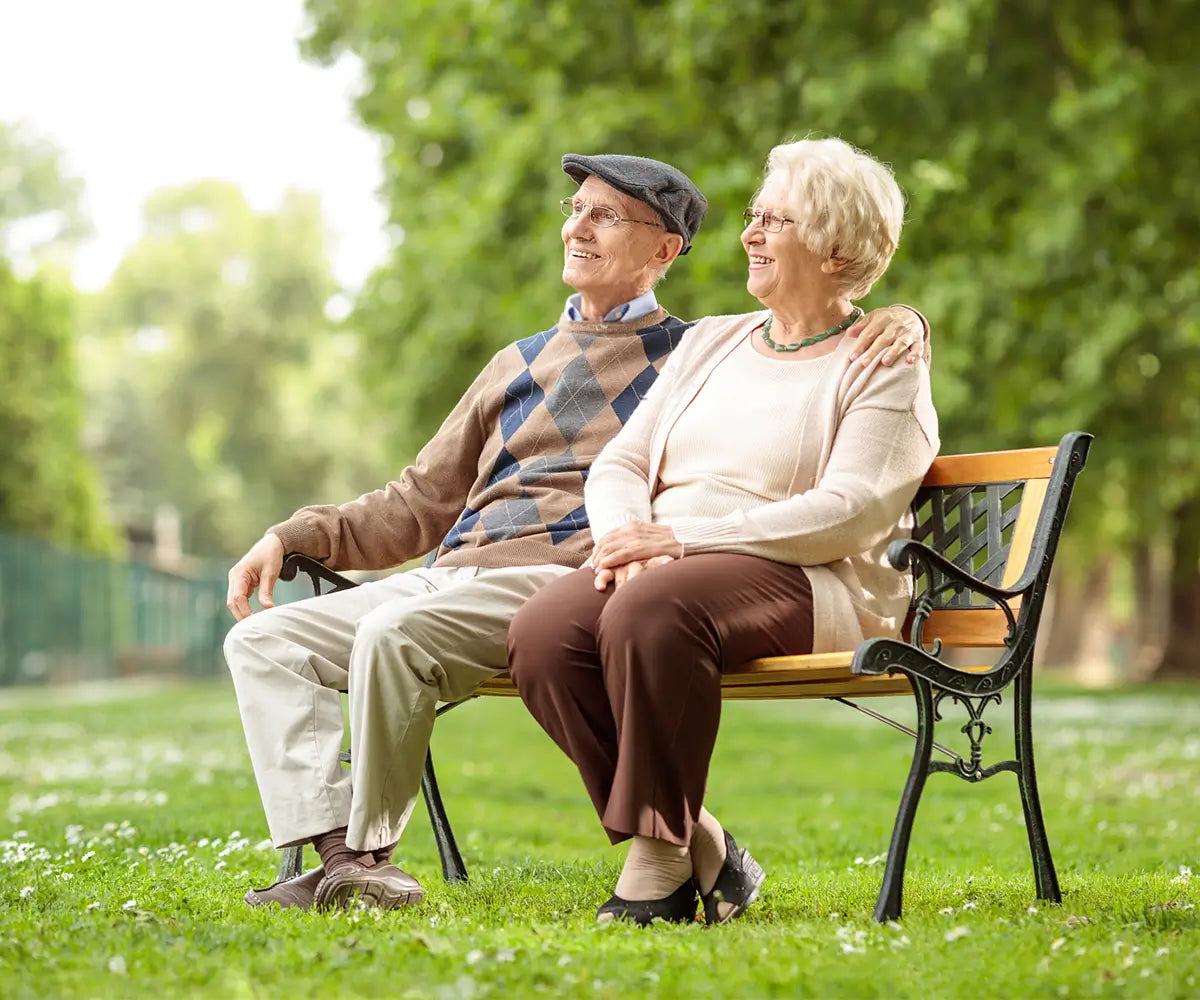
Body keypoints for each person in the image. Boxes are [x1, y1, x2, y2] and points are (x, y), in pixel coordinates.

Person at [223, 151, 928, 912]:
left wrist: (904, 315)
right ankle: (336, 859)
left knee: (412, 631)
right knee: (263, 640)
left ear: (665, 251)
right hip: (487, 571)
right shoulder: (539, 362)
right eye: (575, 210)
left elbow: (834, 410)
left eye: (607, 215)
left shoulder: (681, 347)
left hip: (596, 573)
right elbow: (420, 501)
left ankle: (373, 859)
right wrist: (293, 536)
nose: (578, 227)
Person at [506, 137, 940, 926]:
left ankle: (659, 867)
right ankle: (697, 836)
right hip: (668, 566)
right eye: (755, 215)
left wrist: (678, 545)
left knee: (653, 612)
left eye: (776, 220)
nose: (750, 233)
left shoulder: (883, 360)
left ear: (839, 250)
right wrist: (625, 536)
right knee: (542, 632)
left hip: (813, 577)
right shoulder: (714, 341)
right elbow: (621, 462)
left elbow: (850, 510)